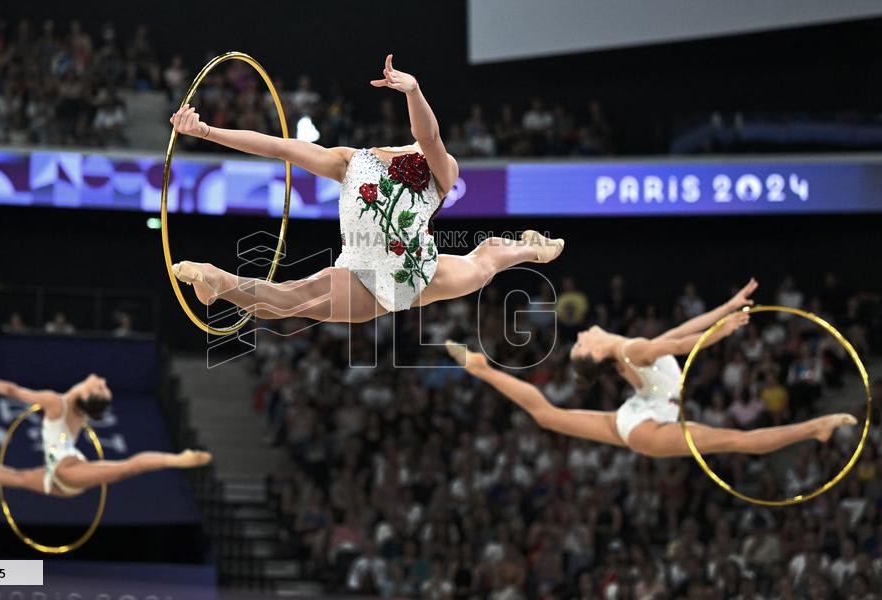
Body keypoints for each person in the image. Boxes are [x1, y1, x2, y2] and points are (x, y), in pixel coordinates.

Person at [168, 54, 563, 324]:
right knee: (290, 300)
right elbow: (279, 146)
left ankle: (531, 247)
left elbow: (429, 135)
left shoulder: (442, 171)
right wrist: (204, 131)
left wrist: (413, 91)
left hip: (420, 273)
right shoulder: (349, 161)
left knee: (484, 264)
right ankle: (220, 280)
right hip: (363, 277)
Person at [445, 279, 857, 458]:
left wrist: (726, 309)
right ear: (597, 354)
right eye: (581, 344)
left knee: (548, 415)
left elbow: (679, 332)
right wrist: (723, 330)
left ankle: (483, 369)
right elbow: (680, 343)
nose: (582, 334)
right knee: (735, 441)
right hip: (648, 424)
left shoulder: (630, 350)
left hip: (641, 416)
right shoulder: (633, 350)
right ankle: (813, 429)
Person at [0, 358, 210, 496]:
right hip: (58, 474)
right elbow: (88, 411)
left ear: (87, 397)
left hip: (67, 469)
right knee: (16, 479)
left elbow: (11, 390)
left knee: (125, 468)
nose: (102, 380)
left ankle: (176, 460)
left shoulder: (55, 404)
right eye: (103, 385)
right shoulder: (78, 412)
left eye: (100, 387)